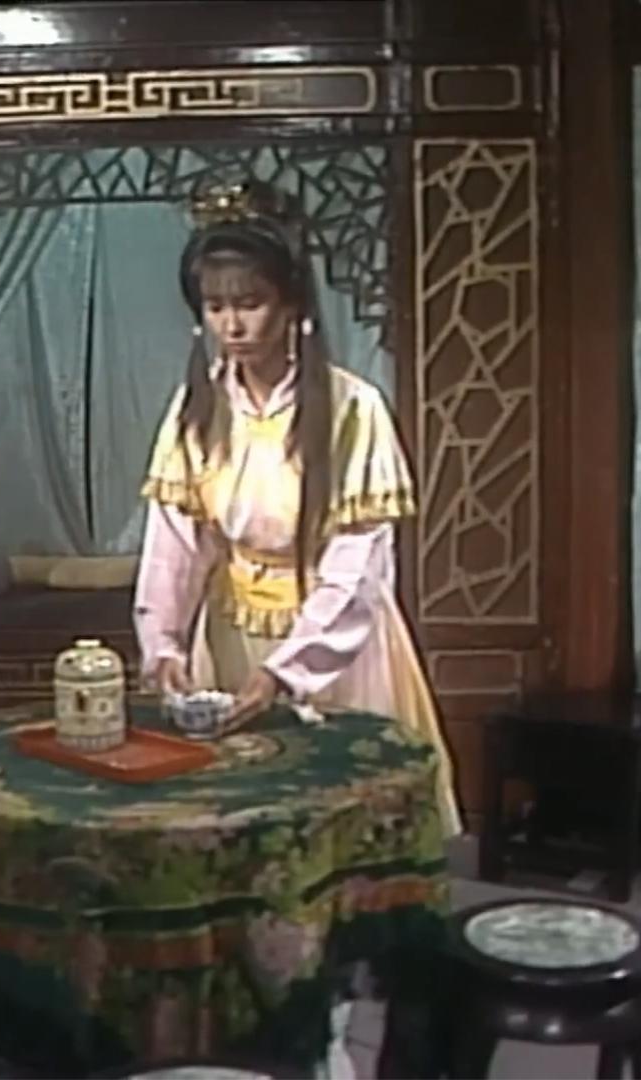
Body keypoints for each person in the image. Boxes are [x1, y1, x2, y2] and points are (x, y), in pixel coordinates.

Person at [132, 180, 462, 834]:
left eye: (250, 303)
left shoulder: (350, 408)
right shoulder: (198, 408)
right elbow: (174, 544)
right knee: (240, 814)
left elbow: (356, 567)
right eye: (216, 306)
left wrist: (285, 673)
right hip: (229, 632)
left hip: (333, 642)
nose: (232, 325)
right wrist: (163, 643)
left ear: (291, 305)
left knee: (339, 816)